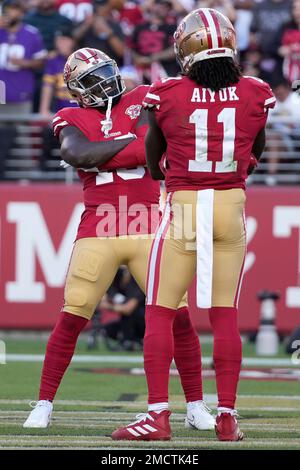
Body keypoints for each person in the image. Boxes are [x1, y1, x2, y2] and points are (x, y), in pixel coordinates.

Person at [22, 47, 215, 433]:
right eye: (94, 78)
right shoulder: (69, 116)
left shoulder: (143, 96)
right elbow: (76, 153)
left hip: (149, 223)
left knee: (178, 317)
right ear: (79, 90)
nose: (107, 81)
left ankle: (196, 405)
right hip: (99, 227)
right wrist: (127, 147)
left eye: (108, 71)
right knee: (73, 314)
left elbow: (149, 148)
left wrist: (102, 156)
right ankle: (43, 403)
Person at [112, 8, 275, 442]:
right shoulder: (256, 91)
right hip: (230, 206)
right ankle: (226, 418)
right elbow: (255, 145)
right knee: (225, 313)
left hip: (185, 204)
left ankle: (157, 415)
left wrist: (158, 172)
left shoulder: (166, 92)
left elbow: (153, 148)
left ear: (185, 47)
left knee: (160, 311)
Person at [0, 0, 46, 114]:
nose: (10, 13)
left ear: (22, 13)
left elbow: (42, 62)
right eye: (7, 10)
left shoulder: (32, 33)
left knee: (21, 130)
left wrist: (25, 63)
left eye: (14, 10)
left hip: (21, 92)